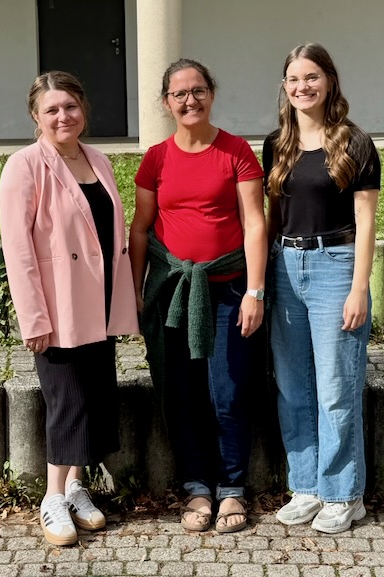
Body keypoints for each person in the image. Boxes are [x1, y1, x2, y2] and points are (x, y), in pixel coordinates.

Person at [0, 71, 139, 547]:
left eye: (71, 106)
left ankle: (76, 487)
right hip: (58, 304)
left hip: (98, 299)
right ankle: (52, 497)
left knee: (95, 396)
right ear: (36, 116)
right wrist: (33, 317)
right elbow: (18, 249)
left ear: (84, 109)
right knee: (67, 401)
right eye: (52, 109)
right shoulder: (24, 166)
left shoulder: (99, 160)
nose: (63, 116)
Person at [129, 58, 267, 534]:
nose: (191, 100)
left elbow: (254, 223)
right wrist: (135, 291)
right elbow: (140, 229)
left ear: (212, 93)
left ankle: (232, 488)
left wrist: (254, 291)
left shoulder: (236, 151)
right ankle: (197, 488)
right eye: (180, 94)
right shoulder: (156, 158)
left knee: (229, 391)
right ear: (166, 103)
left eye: (198, 91)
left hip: (229, 289)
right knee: (183, 393)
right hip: (174, 294)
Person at [263, 43, 381, 534]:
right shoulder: (277, 144)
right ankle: (307, 486)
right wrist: (262, 280)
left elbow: (366, 220)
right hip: (285, 267)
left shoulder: (354, 142)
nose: (302, 87)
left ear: (329, 80)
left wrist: (359, 288)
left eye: (311, 77)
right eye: (294, 79)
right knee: (293, 387)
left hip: (336, 266)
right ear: (285, 86)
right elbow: (273, 216)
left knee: (336, 388)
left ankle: (344, 494)